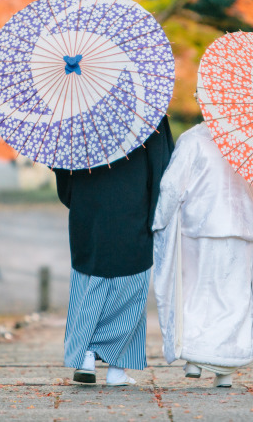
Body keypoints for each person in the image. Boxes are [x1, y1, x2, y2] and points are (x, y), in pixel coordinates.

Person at [53, 117, 174, 386]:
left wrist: (77, 197)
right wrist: (155, 213)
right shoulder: (148, 111)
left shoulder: (76, 109)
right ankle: (117, 369)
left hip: (89, 208)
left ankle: (84, 355)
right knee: (132, 286)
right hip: (133, 205)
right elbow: (163, 165)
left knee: (89, 283)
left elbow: (60, 162)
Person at [152, 122, 253, 388]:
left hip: (201, 225)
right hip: (242, 228)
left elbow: (171, 186)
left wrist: (161, 219)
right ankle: (225, 368)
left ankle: (193, 356)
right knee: (235, 296)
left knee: (196, 291)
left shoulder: (193, 139)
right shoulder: (252, 142)